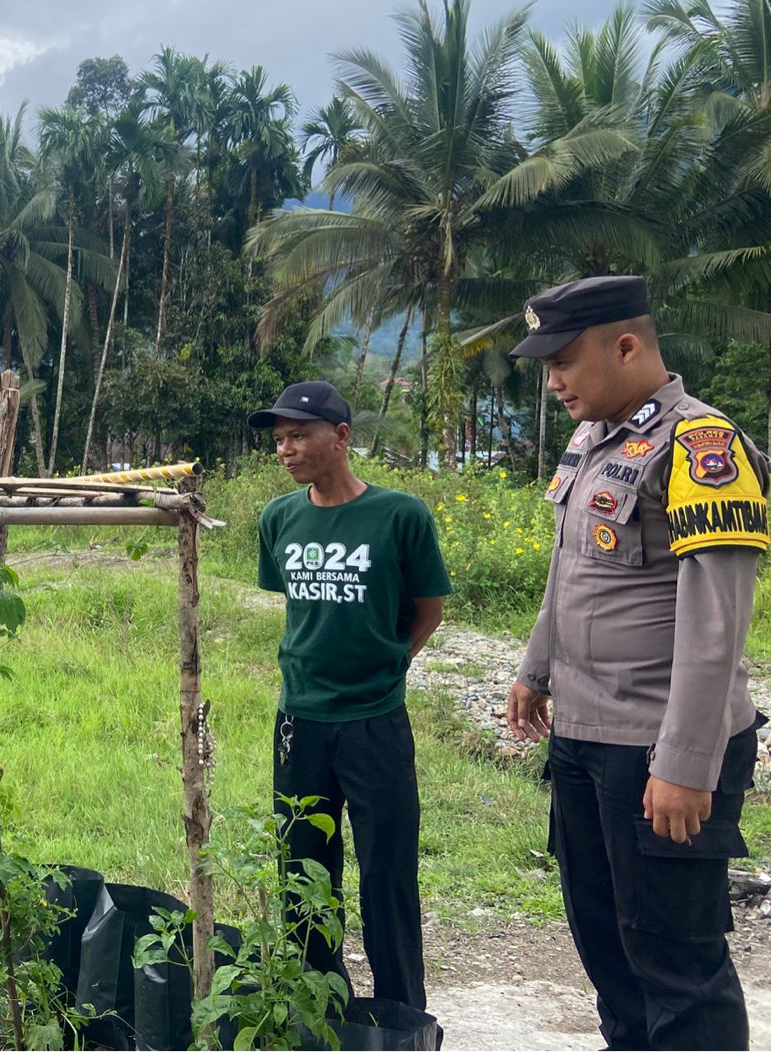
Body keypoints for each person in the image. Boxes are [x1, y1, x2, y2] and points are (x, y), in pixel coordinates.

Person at [505, 275, 768, 1050]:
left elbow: (717, 620)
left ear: (626, 346)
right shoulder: (594, 439)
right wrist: (534, 669)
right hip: (585, 737)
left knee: (675, 961)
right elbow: (573, 570)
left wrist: (688, 764)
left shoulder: (702, 444)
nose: (553, 382)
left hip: (657, 747)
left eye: (564, 360)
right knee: (608, 948)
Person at [251, 380, 451, 1010]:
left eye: (299, 434)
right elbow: (299, 610)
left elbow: (428, 609)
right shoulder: (279, 518)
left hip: (374, 724)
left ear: (340, 437)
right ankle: (321, 1007)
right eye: (280, 439)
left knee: (387, 872)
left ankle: (400, 1013)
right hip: (299, 723)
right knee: (304, 873)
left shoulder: (400, 516)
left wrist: (389, 665)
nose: (287, 449)